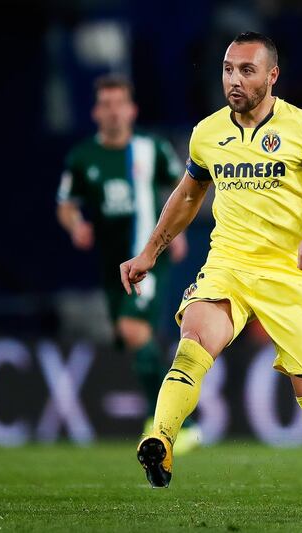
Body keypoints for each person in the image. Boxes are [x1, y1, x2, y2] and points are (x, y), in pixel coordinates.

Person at [121, 32, 302, 513]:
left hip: (289, 275)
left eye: (247, 70)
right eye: (228, 69)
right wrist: (150, 251)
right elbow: (189, 195)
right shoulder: (207, 133)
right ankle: (162, 442)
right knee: (192, 346)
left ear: (272, 75)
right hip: (228, 267)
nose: (234, 79)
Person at [56, 74, 201, 453]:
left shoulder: (151, 148)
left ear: (132, 109)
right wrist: (76, 226)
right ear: (95, 111)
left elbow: (182, 190)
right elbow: (67, 204)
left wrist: (178, 232)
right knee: (132, 338)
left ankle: (168, 426)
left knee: (133, 330)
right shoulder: (83, 157)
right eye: (106, 104)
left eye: (120, 103)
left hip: (146, 254)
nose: (114, 111)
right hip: (110, 260)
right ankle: (180, 408)